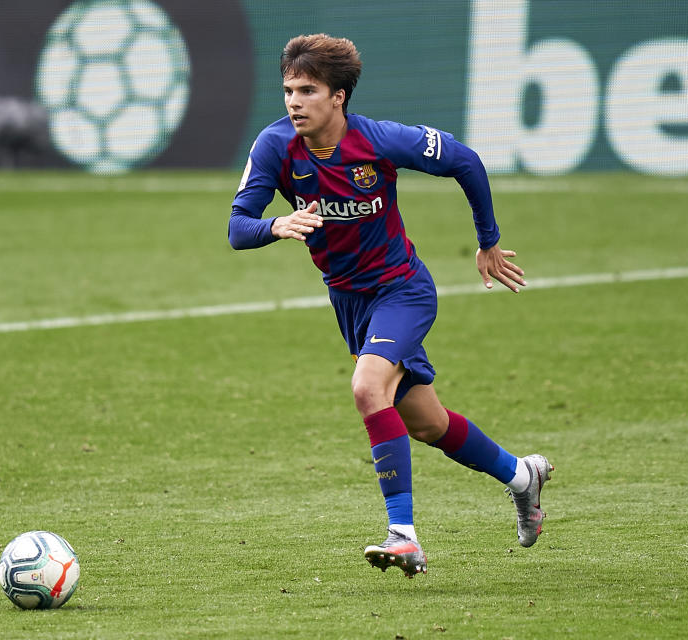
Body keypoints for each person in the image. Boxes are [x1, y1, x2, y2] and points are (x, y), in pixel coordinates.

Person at [228, 34, 553, 578]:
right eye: (288, 90)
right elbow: (238, 228)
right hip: (349, 301)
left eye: (307, 90)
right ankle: (522, 476)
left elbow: (465, 160)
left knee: (366, 388)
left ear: (338, 97)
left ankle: (403, 535)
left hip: (403, 290)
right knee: (427, 424)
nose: (293, 102)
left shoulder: (379, 141)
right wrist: (275, 225)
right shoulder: (274, 146)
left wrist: (488, 240)